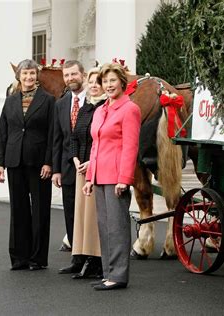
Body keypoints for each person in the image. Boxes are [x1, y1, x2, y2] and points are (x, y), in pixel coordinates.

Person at [83, 63, 141, 290]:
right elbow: (95, 146)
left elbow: (130, 146)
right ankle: (108, 273)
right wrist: (89, 178)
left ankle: (118, 275)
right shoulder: (100, 110)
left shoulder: (130, 109)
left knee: (117, 226)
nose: (108, 85)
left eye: (112, 81)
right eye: (104, 81)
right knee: (105, 225)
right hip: (99, 174)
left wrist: (124, 179)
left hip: (116, 176)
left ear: (122, 83)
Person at [0, 59, 54, 270]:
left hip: (39, 163)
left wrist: (49, 162)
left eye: (32, 74)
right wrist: (0, 163)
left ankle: (37, 259)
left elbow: (52, 134)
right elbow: (2, 133)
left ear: (36, 76)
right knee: (18, 210)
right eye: (25, 74)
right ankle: (19, 257)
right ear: (18, 76)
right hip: (14, 161)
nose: (28, 78)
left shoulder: (48, 100)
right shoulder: (10, 101)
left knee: (40, 211)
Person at [69, 67, 106, 279]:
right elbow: (74, 137)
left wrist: (91, 162)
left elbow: (102, 141)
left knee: (93, 217)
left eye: (97, 82)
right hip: (80, 168)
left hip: (96, 168)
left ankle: (96, 260)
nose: (93, 85)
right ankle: (82, 256)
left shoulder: (104, 108)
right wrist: (76, 160)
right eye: (91, 81)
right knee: (81, 216)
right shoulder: (85, 108)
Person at [52, 60, 87, 273]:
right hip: (66, 167)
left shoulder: (94, 101)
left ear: (82, 74)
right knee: (71, 214)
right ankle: (76, 258)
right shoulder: (61, 104)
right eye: (66, 75)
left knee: (88, 214)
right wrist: (56, 169)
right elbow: (57, 139)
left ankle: (91, 258)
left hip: (88, 165)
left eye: (74, 74)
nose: (70, 78)